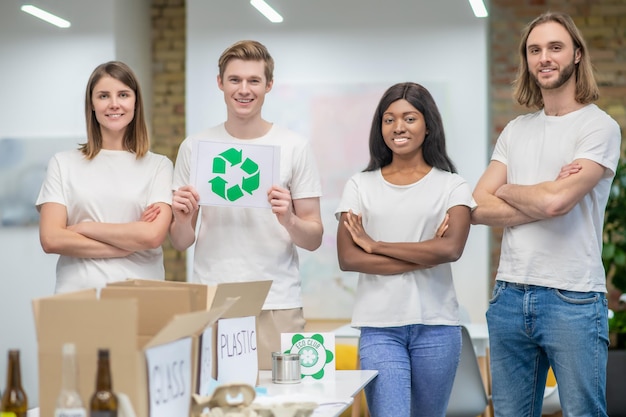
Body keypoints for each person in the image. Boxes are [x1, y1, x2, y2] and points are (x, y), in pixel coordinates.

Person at [471, 11, 621, 416]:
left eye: (555, 47)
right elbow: (477, 206)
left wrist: (508, 190)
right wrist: (542, 195)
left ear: (575, 55)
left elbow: (555, 202)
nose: (544, 57)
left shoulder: (598, 127)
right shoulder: (516, 130)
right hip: (508, 294)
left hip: (571, 298)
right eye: (535, 49)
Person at [170, 40, 323, 370]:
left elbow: (314, 238)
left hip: (278, 302)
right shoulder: (194, 147)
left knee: (286, 401)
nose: (244, 89)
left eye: (254, 80)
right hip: (213, 301)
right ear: (220, 83)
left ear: (268, 85)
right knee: (214, 402)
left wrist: (289, 219)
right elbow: (181, 241)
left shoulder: (295, 147)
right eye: (235, 80)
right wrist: (182, 219)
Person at [335, 82, 474, 416]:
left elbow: (452, 249)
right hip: (379, 327)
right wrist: (428, 251)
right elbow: (349, 258)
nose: (398, 127)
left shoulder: (451, 185)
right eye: (389, 119)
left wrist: (375, 245)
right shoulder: (360, 185)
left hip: (438, 326)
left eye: (409, 118)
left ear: (428, 125)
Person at [37, 61, 173, 293]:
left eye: (123, 94)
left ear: (135, 102)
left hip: (141, 296)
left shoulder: (159, 166)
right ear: (91, 103)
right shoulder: (63, 163)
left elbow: (151, 236)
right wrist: (124, 246)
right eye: (103, 96)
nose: (114, 104)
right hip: (77, 296)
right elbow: (51, 239)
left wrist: (82, 228)